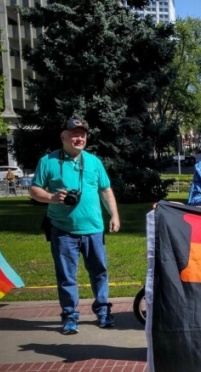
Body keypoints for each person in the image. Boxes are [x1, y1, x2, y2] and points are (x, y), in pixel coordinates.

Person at [29, 117, 120, 335]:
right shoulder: (48, 161)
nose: (79, 138)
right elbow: (34, 190)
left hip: (94, 229)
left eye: (82, 134)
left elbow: (105, 190)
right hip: (62, 230)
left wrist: (114, 215)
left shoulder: (94, 162)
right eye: (74, 134)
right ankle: (70, 316)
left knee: (99, 272)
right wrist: (51, 197)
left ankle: (103, 311)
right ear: (63, 137)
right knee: (67, 276)